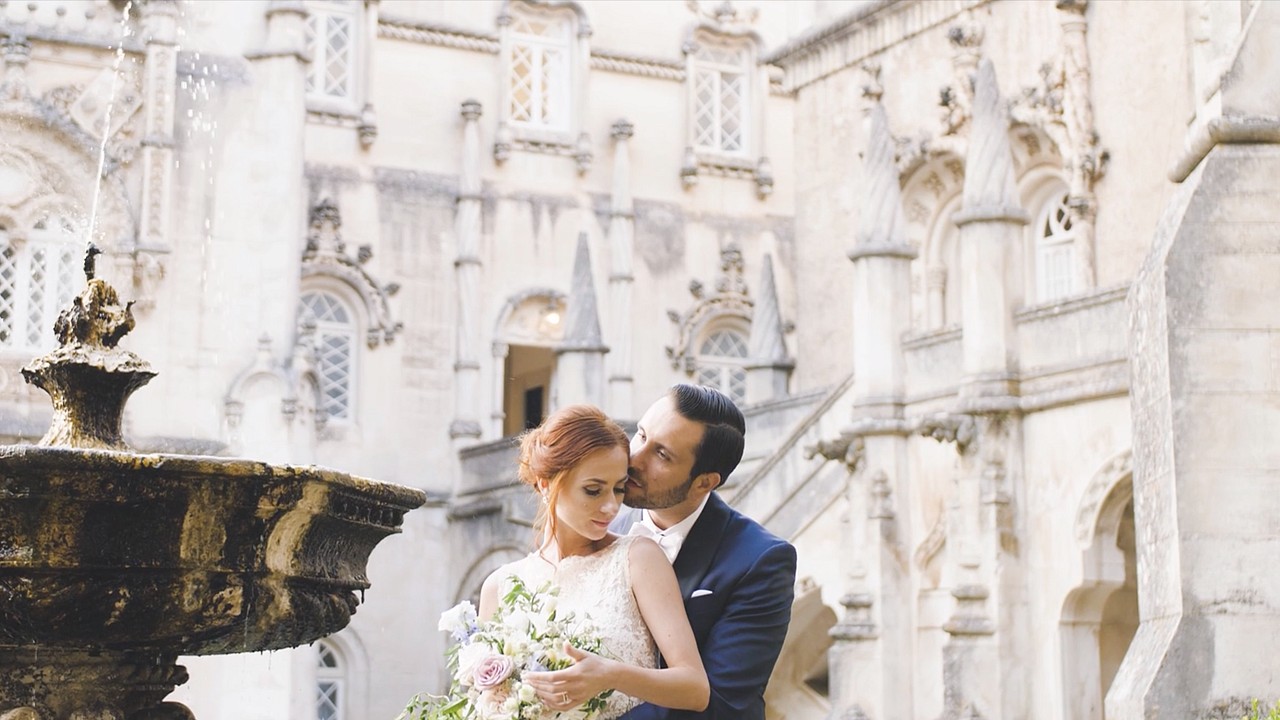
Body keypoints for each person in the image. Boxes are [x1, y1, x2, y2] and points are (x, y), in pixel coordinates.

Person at [533, 384, 798, 720]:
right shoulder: (593, 522)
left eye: (662, 454)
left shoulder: (761, 560)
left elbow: (723, 702)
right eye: (641, 435)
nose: (634, 459)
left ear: (704, 482)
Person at [479, 404, 709, 719]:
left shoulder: (638, 559)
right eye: (593, 490)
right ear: (546, 484)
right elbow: (483, 705)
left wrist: (609, 674)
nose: (610, 507)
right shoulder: (498, 586)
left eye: (618, 489)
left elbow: (695, 688)